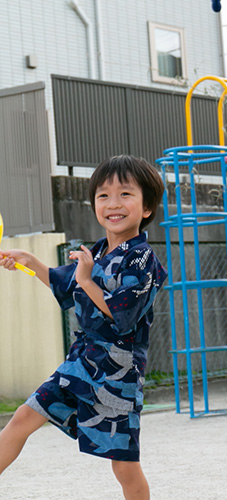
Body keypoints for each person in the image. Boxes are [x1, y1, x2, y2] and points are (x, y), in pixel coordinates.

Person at [0, 155, 167, 500]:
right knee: (21, 419)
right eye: (103, 196)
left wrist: (88, 279)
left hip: (116, 376)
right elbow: (67, 284)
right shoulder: (100, 251)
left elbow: (121, 315)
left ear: (147, 207)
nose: (113, 204)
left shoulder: (143, 260)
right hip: (80, 364)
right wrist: (28, 260)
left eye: (125, 194)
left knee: (123, 465)